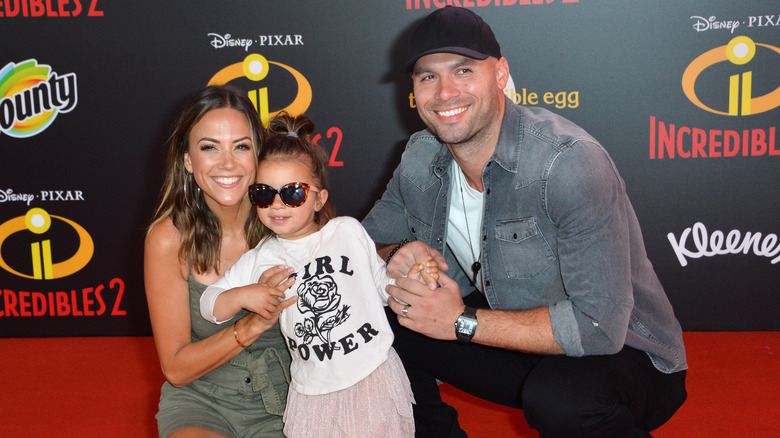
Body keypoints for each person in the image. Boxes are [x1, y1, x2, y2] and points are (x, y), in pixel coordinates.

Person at [362, 6, 688, 437]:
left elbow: (598, 326)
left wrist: (459, 321)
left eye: (463, 70)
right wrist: (398, 254)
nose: (444, 92)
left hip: (628, 355)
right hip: (513, 339)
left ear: (500, 75)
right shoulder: (420, 156)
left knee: (561, 399)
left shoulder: (568, 163)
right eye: (428, 76)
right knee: (376, 321)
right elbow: (363, 246)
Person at [199, 113, 436, 438]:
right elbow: (209, 304)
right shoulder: (261, 258)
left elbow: (383, 288)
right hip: (313, 393)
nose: (278, 204)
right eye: (265, 194)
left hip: (373, 376)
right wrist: (244, 295)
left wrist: (413, 280)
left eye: (293, 193)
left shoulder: (347, 232)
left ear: (318, 199)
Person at [144, 85, 295, 438]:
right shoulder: (168, 239)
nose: (227, 163)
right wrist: (251, 326)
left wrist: (394, 256)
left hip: (292, 405)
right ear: (187, 160)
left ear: (259, 155)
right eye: (209, 147)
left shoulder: (291, 221)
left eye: (241, 146)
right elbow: (177, 370)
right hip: (202, 401)